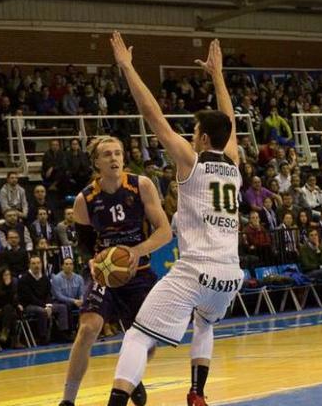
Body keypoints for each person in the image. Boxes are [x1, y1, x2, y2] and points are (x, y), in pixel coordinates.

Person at [105, 34, 244, 406]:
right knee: (205, 321)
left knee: (137, 337)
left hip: (197, 269)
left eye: (195, 131)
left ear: (199, 137)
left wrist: (127, 67)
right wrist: (218, 76)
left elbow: (153, 116)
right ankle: (197, 393)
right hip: (230, 274)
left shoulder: (192, 161)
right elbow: (228, 121)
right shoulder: (234, 163)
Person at [59, 135, 172, 406]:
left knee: (149, 342)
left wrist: (136, 251)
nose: (114, 158)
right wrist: (91, 261)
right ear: (96, 162)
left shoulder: (141, 185)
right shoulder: (85, 199)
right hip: (105, 271)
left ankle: (129, 376)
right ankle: (67, 400)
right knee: (89, 328)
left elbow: (165, 232)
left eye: (118, 153)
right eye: (107, 154)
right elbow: (85, 247)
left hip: (139, 270)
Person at [18, 255, 68, 345]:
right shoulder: (24, 279)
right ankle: (43, 337)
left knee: (62, 308)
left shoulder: (45, 278)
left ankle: (63, 333)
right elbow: (30, 298)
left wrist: (48, 305)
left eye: (38, 263)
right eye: (33, 263)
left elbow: (48, 294)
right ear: (29, 265)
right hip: (29, 305)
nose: (36, 265)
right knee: (42, 311)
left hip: (44, 304)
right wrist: (45, 307)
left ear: (41, 264)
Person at [0, 267, 23, 349]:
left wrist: (17, 305)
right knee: (9, 310)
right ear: (0, 276)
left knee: (10, 310)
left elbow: (13, 301)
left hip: (6, 313)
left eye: (9, 275)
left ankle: (5, 332)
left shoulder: (12, 286)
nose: (8, 277)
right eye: (5, 275)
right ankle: (14, 341)